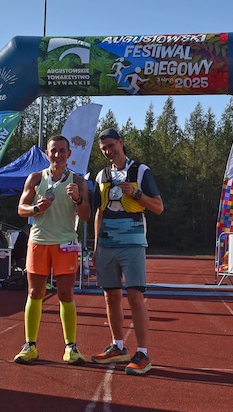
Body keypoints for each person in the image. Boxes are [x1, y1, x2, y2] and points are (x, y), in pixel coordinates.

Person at [88, 128, 164, 375]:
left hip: (132, 243)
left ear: (121, 143)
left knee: (134, 296)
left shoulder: (140, 171)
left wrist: (136, 193)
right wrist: (96, 247)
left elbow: (158, 207)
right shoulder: (101, 175)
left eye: (111, 146)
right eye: (104, 149)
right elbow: (99, 212)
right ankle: (118, 346)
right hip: (107, 244)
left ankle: (143, 353)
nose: (108, 151)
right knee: (110, 296)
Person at [13, 135, 91, 366]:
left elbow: (86, 215)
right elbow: (21, 209)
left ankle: (71, 347)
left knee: (65, 295)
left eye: (62, 151)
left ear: (69, 154)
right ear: (47, 154)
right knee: (34, 293)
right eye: (53, 151)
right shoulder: (36, 178)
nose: (57, 155)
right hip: (39, 241)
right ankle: (30, 346)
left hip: (65, 243)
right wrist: (36, 208)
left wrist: (78, 199)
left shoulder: (78, 181)